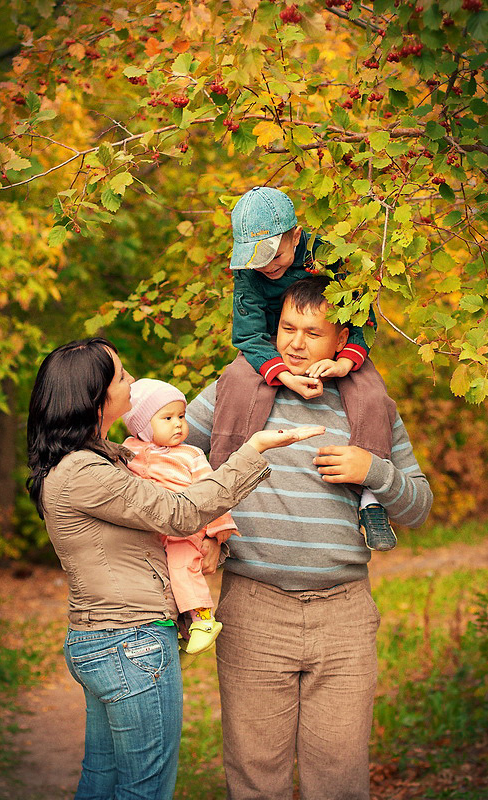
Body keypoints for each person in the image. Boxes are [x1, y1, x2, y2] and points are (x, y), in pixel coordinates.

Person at [26, 336, 324, 800]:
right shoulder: (85, 471)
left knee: (103, 780)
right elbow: (179, 512)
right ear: (95, 397)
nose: (131, 380)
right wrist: (254, 451)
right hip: (130, 642)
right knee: (145, 789)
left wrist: (212, 542)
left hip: (105, 638)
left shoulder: (87, 462)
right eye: (121, 376)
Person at [185, 277, 433, 800]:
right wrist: (202, 529)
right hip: (254, 608)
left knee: (339, 781)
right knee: (255, 779)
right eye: (287, 328)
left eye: (312, 333)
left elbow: (419, 507)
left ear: (343, 339)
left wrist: (374, 470)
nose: (295, 344)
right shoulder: (236, 389)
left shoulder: (370, 405)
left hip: (344, 616)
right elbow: (173, 456)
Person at [228, 185, 396, 551]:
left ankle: (370, 499)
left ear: (296, 236)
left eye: (275, 254)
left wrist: (344, 362)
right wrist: (285, 375)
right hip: (270, 348)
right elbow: (248, 334)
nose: (266, 266)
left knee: (370, 393)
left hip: (336, 345)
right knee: (235, 380)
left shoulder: (329, 255)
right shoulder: (249, 273)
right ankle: (223, 478)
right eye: (256, 259)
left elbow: (361, 314)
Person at [122, 378, 239, 659]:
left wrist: (218, 529)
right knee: (161, 581)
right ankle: (182, 635)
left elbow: (212, 492)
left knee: (181, 565)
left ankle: (203, 619)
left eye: (182, 417)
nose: (178, 424)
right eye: (168, 418)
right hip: (149, 532)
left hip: (184, 530)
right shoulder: (126, 451)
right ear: (142, 425)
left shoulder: (191, 455)